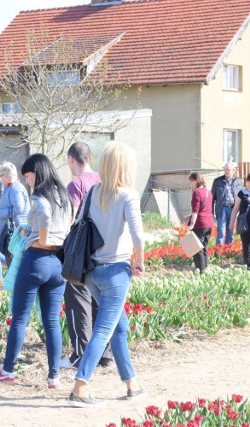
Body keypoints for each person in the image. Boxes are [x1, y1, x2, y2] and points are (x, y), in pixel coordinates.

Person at [68, 142, 146, 407]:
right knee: (104, 329)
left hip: (91, 273)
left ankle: (131, 383)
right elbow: (137, 233)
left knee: (119, 327)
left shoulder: (93, 192)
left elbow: (78, 226)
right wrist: (140, 261)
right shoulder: (128, 195)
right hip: (116, 272)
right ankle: (81, 385)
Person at [0, 154, 72, 390]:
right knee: (52, 321)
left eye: (28, 175)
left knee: (20, 319)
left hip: (36, 260)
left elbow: (44, 214)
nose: (27, 181)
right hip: (59, 264)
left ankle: (7, 370)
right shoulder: (64, 197)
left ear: (38, 172)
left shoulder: (41, 196)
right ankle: (54, 377)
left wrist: (40, 238)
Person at [61, 142, 113, 370]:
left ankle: (81, 354)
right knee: (99, 301)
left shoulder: (76, 185)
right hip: (103, 250)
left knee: (78, 300)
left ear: (72, 159)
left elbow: (70, 221)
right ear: (90, 158)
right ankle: (105, 354)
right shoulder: (104, 182)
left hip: (82, 253)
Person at [0, 161, 30, 267]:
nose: (0, 179)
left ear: (5, 176)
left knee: (14, 264)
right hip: (15, 231)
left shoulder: (15, 188)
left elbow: (19, 209)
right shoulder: (10, 188)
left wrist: (0, 212)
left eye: (0, 176)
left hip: (18, 231)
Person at [185, 172, 214, 273]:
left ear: (196, 181)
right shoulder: (208, 192)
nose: (190, 184)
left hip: (200, 224)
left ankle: (201, 271)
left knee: (198, 249)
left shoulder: (197, 192)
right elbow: (205, 209)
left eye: (191, 181)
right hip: (209, 223)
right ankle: (205, 269)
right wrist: (190, 217)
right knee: (204, 247)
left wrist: (191, 224)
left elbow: (195, 211)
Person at [211, 162, 242, 245]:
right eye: (225, 169)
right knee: (221, 230)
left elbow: (241, 196)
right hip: (222, 209)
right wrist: (211, 212)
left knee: (230, 230)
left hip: (233, 209)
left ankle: (228, 252)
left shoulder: (238, 181)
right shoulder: (217, 181)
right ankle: (219, 253)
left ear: (233, 170)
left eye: (228, 169)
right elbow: (212, 198)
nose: (226, 171)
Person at [228, 173, 250, 270]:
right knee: (246, 244)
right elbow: (235, 209)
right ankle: (247, 265)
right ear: (247, 182)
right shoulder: (242, 193)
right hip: (245, 223)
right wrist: (231, 222)